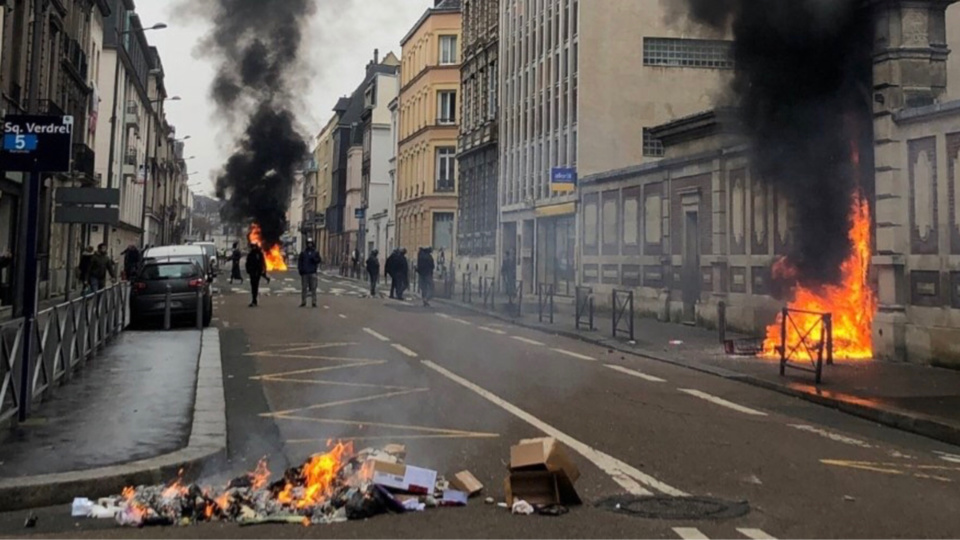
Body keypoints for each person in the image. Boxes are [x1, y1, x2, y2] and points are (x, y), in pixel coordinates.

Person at [297, 239, 322, 307]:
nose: (309, 245)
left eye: (310, 243)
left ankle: (314, 302)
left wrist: (314, 259)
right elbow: (300, 262)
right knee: (304, 288)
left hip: (312, 272)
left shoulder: (315, 252)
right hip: (305, 273)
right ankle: (303, 301)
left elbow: (319, 260)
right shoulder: (303, 253)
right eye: (308, 243)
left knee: (313, 288)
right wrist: (300, 270)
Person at [245, 243, 267, 307]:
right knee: (254, 286)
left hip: (256, 272)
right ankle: (254, 299)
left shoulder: (258, 254)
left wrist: (263, 269)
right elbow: (247, 263)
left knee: (255, 286)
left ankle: (254, 300)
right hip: (254, 272)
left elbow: (262, 262)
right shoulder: (252, 254)